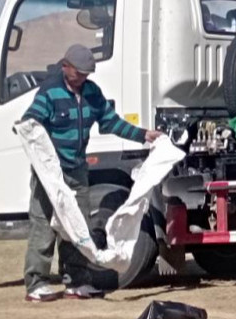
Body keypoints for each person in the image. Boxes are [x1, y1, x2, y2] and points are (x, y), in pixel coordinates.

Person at [22, 43, 161, 301]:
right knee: (44, 225)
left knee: (78, 225)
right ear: (66, 67)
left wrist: (143, 135)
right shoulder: (49, 93)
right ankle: (36, 283)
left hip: (77, 171)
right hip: (50, 175)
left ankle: (76, 281)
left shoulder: (92, 93)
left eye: (86, 74)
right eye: (78, 73)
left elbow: (111, 122)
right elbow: (31, 123)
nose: (82, 78)